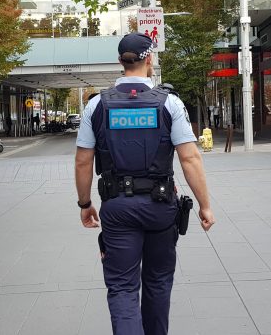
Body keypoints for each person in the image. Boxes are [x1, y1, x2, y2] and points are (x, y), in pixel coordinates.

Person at [74, 32, 216, 335]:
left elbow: (83, 161)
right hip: (160, 208)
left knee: (123, 288)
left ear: (120, 62)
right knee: (158, 282)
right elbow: (190, 159)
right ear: (148, 59)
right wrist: (205, 205)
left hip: (117, 208)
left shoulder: (96, 105)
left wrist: (85, 204)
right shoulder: (170, 104)